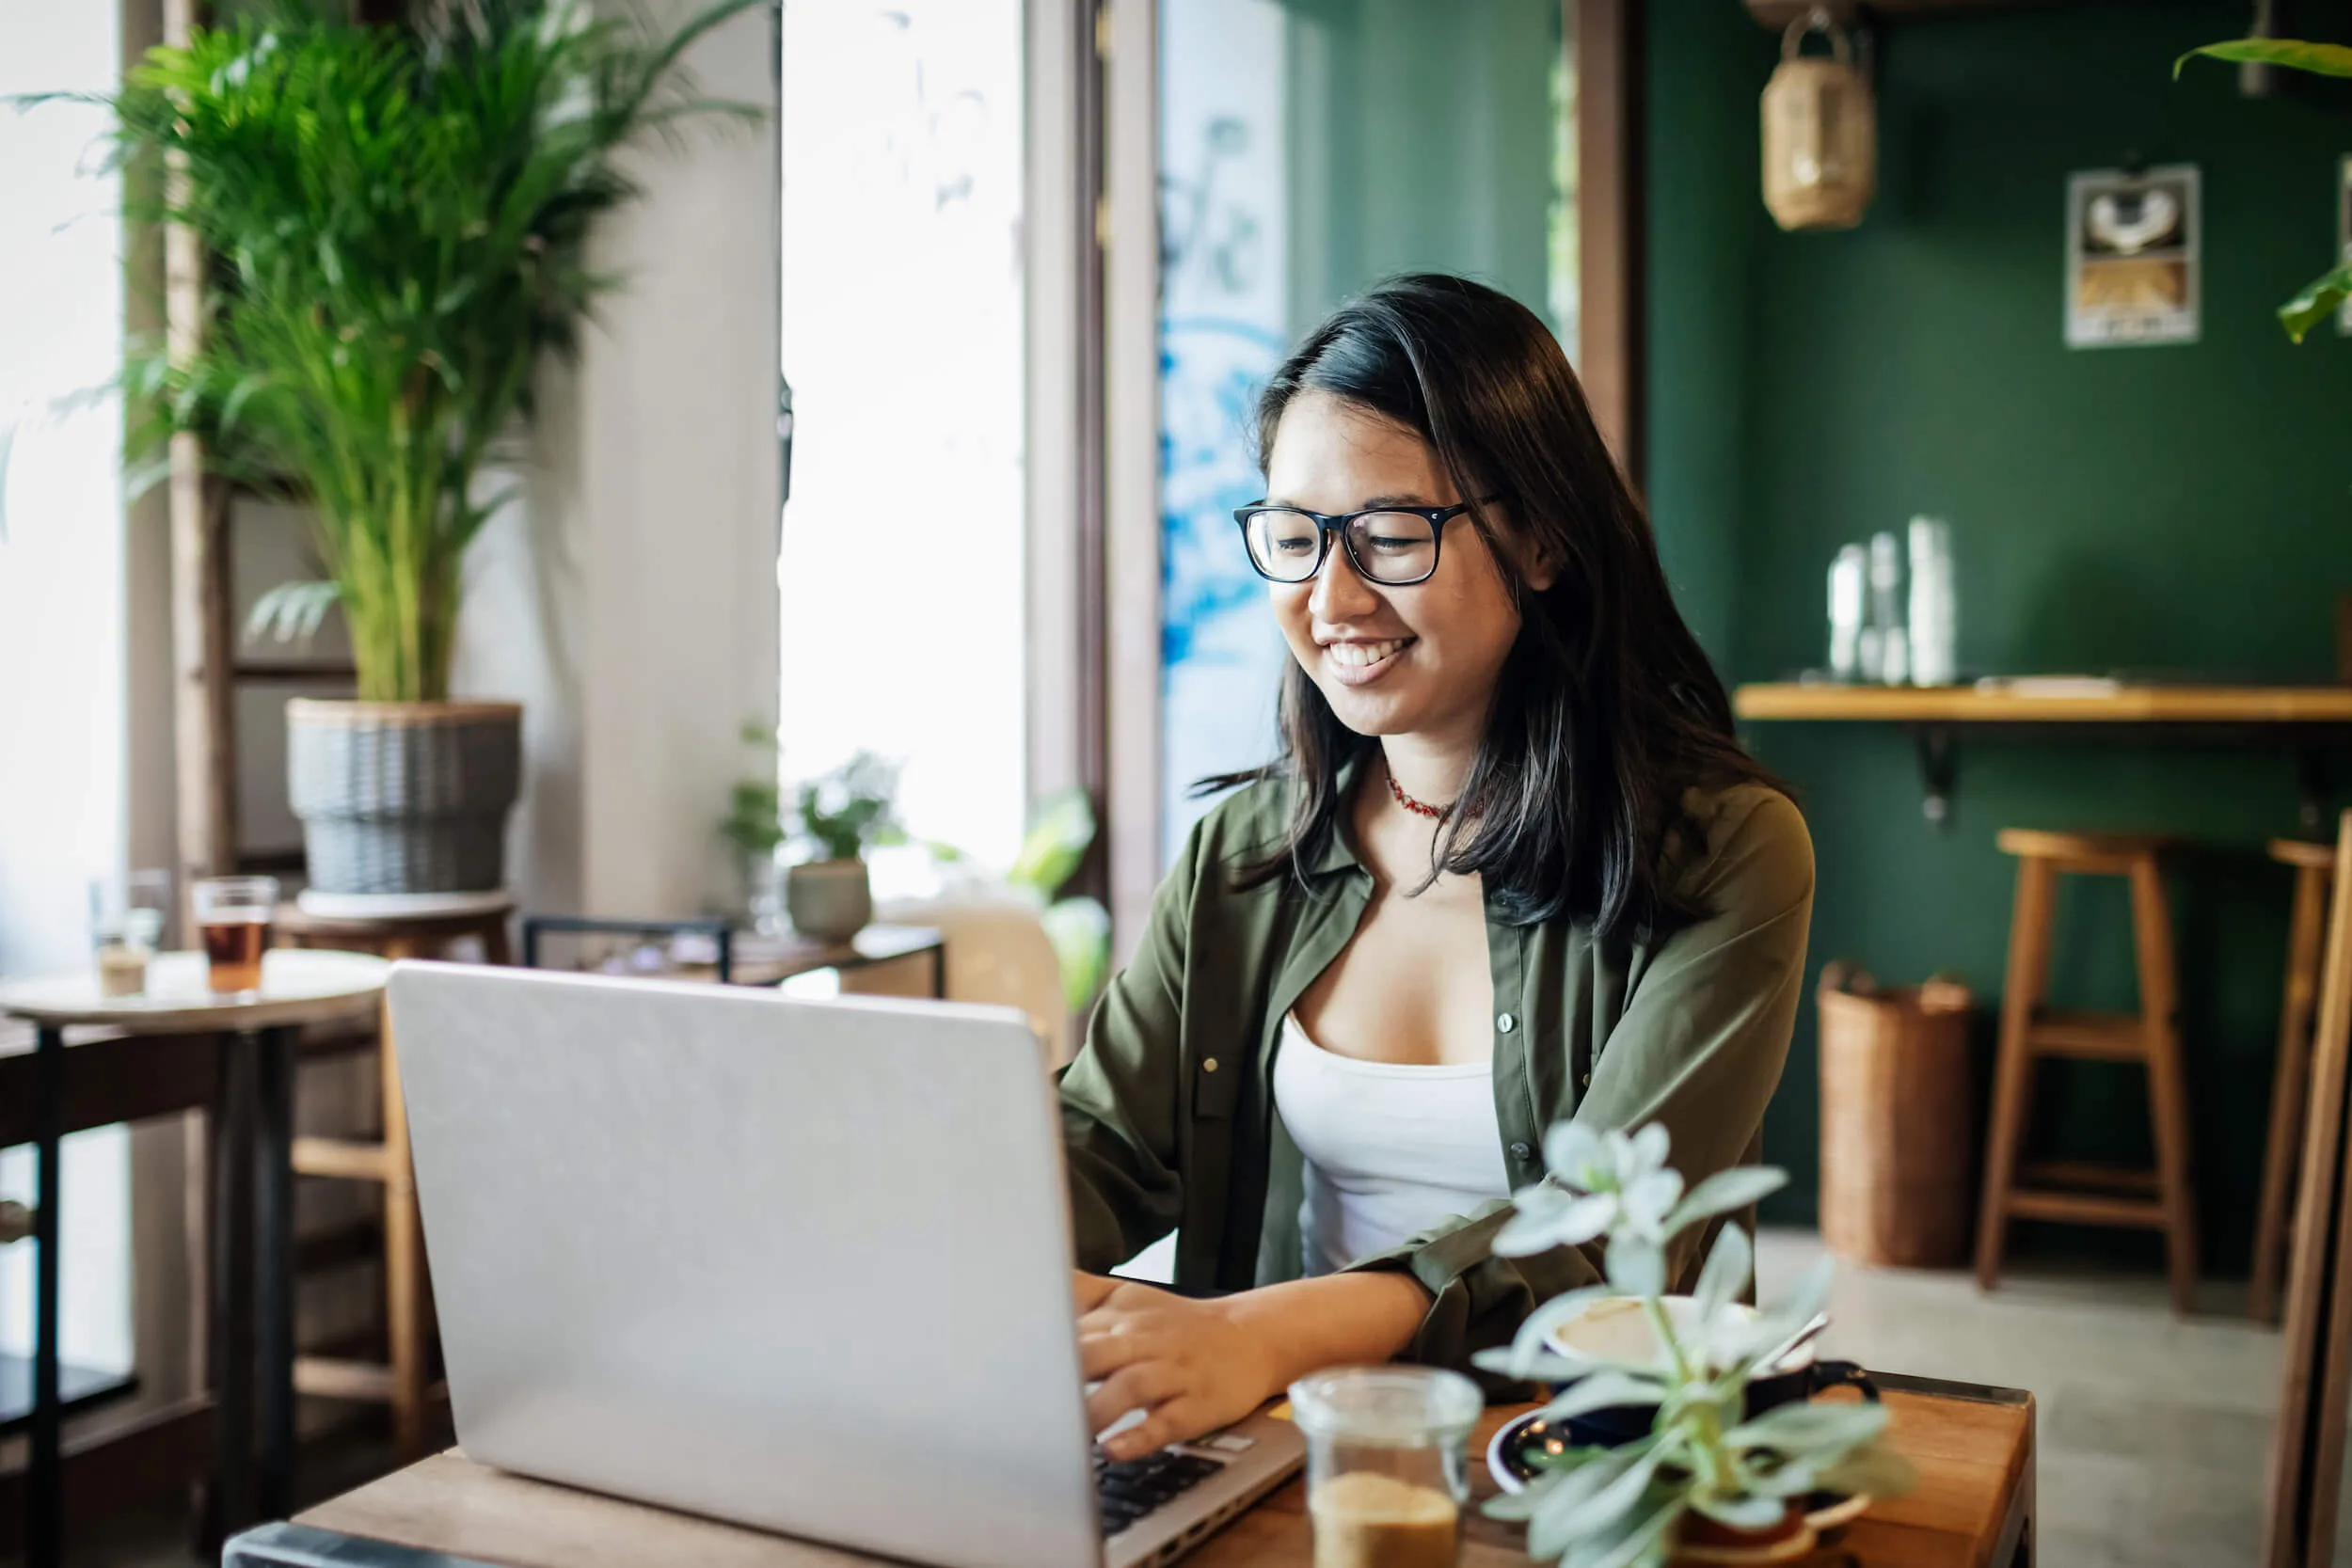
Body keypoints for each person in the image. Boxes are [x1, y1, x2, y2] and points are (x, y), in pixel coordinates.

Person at [1061, 274, 1813, 1460]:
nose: (1331, 595)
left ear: (1543, 537)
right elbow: (1103, 1142)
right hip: (1281, 1452)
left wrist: (1263, 1333)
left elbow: (1607, 1237)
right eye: (1297, 535)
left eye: (1392, 535)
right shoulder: (1243, 853)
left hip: (1582, 1464)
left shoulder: (1722, 851)